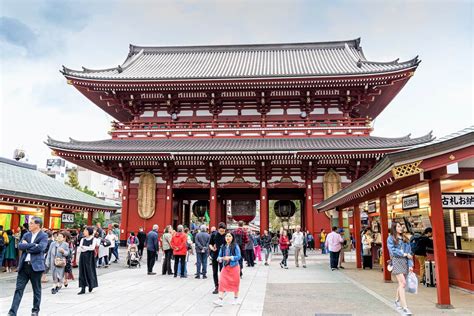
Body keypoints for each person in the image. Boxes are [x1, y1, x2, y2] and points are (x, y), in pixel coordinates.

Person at [8, 217, 48, 316]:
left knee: (36, 290)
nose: (29, 225)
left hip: (36, 267)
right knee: (18, 289)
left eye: (31, 223)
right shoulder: (26, 234)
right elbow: (20, 246)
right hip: (24, 266)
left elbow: (41, 248)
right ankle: (12, 312)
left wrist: (28, 246)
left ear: (37, 225)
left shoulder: (43, 235)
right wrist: (33, 245)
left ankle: (35, 311)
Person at [388, 222, 413, 315]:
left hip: (405, 262)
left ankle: (396, 301)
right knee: (403, 283)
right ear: (394, 228)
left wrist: (410, 265)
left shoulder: (405, 238)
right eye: (398, 226)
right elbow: (392, 250)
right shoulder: (390, 238)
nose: (400, 228)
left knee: (401, 283)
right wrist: (403, 254)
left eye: (401, 226)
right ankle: (405, 307)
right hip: (397, 261)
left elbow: (409, 253)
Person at [213, 232, 242, 307]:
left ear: (232, 238)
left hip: (234, 267)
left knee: (235, 283)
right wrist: (220, 259)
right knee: (222, 282)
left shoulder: (235, 246)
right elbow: (219, 257)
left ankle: (236, 299)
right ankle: (220, 300)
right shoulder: (223, 246)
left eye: (229, 236)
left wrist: (230, 257)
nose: (227, 237)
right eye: (226, 236)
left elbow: (239, 256)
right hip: (225, 267)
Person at [77, 226, 98, 295]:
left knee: (90, 271)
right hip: (83, 257)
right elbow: (80, 248)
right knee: (82, 271)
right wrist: (86, 248)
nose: (84, 232)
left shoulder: (94, 239)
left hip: (90, 258)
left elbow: (92, 248)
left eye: (85, 231)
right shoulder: (82, 239)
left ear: (89, 231)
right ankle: (82, 288)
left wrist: (85, 247)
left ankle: (91, 285)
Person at [209, 222, 227, 294]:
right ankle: (217, 286)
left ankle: (223, 286)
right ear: (218, 229)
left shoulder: (227, 236)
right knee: (214, 272)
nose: (222, 232)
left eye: (223, 231)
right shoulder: (214, 235)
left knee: (223, 272)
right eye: (220, 231)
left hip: (223, 257)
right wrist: (212, 248)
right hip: (215, 255)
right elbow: (210, 244)